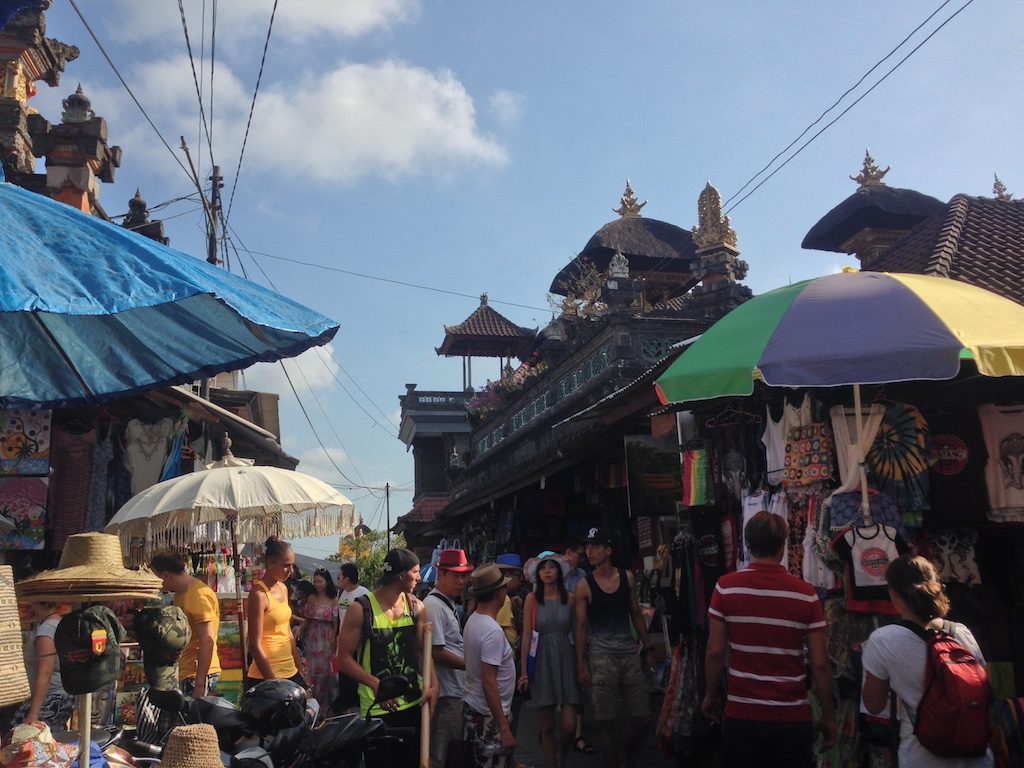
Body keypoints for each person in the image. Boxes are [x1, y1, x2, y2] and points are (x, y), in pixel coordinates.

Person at [701, 511, 836, 768]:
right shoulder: (806, 595)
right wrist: (828, 714)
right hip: (791, 716)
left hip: (742, 714)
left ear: (747, 543)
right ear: (783, 544)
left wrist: (710, 694)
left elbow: (715, 651)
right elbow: (820, 663)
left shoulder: (726, 587)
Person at [861, 555, 992, 767]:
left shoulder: (882, 640)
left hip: (923, 757)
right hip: (977, 756)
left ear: (893, 593)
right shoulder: (961, 632)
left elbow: (874, 705)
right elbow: (984, 687)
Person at [336, 548, 439, 768]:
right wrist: (375, 683)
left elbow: (422, 652)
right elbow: (343, 659)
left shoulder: (416, 607)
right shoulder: (361, 609)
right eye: (415, 571)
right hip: (378, 709)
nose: (419, 577)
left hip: (413, 703)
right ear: (401, 576)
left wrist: (434, 684)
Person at [574, 527, 653, 768]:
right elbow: (580, 627)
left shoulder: (627, 578)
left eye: (595, 546)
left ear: (608, 550)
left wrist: (648, 648)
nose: (589, 551)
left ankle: (625, 757)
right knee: (606, 721)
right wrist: (582, 665)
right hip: (601, 657)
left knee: (643, 719)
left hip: (628, 654)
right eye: (587, 546)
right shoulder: (584, 586)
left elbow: (636, 614)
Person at [518, 553, 580, 768]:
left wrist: (582, 664)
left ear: (559, 572)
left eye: (551, 567)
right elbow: (526, 635)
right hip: (541, 658)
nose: (547, 571)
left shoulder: (570, 598)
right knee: (546, 725)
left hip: (565, 657)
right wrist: (524, 670)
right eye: (543, 568)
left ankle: (562, 755)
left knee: (570, 726)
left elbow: (580, 632)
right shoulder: (531, 600)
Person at [463, 563, 516, 768]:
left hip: (478, 710)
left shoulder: (474, 620)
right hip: (488, 717)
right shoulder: (491, 631)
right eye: (504, 587)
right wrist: (503, 727)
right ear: (498, 593)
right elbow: (489, 682)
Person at [425, 549, 474, 768]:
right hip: (446, 692)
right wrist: (471, 665)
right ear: (441, 574)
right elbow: (435, 651)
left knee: (451, 750)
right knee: (442, 753)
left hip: (455, 689)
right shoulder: (434, 606)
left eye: (464, 576)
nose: (461, 581)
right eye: (456, 575)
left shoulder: (446, 603)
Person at [149, 551, 221, 698]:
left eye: (155, 579)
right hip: (186, 671)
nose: (155, 584)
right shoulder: (181, 593)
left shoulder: (199, 595)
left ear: (166, 576)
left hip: (197, 675)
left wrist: (200, 685)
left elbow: (207, 641)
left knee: (191, 720)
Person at [245, 536, 307, 691]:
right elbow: (255, 644)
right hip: (265, 675)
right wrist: (272, 683)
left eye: (292, 566)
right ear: (271, 563)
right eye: (286, 566)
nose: (291, 571)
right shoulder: (258, 595)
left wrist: (299, 667)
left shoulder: (283, 588)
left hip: (290, 670)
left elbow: (288, 633)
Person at [13, 602, 73, 731]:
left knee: (23, 738)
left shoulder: (47, 628)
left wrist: (33, 713)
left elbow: (45, 671)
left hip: (50, 698)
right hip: (62, 696)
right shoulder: (59, 623)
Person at [561, 537, 593, 753]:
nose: (579, 558)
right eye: (576, 554)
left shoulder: (583, 578)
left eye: (582, 555)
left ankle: (578, 731)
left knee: (579, 684)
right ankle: (564, 725)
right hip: (559, 638)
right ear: (567, 552)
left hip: (577, 637)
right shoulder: (556, 574)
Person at [301, 568, 340, 714]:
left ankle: (324, 709)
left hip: (327, 641)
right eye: (315, 581)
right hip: (312, 639)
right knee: (311, 674)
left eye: (320, 581)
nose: (317, 584)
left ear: (327, 582)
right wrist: (299, 630)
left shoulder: (334, 600)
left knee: (326, 675)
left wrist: (335, 641)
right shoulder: (311, 598)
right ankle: (312, 706)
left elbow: (336, 623)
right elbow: (308, 620)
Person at [336, 562, 369, 712]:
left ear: (347, 578)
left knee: (354, 676)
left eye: (339, 576)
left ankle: (356, 706)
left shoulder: (363, 593)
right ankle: (345, 706)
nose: (338, 579)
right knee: (342, 675)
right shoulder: (341, 593)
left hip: (357, 645)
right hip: (341, 642)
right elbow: (340, 616)